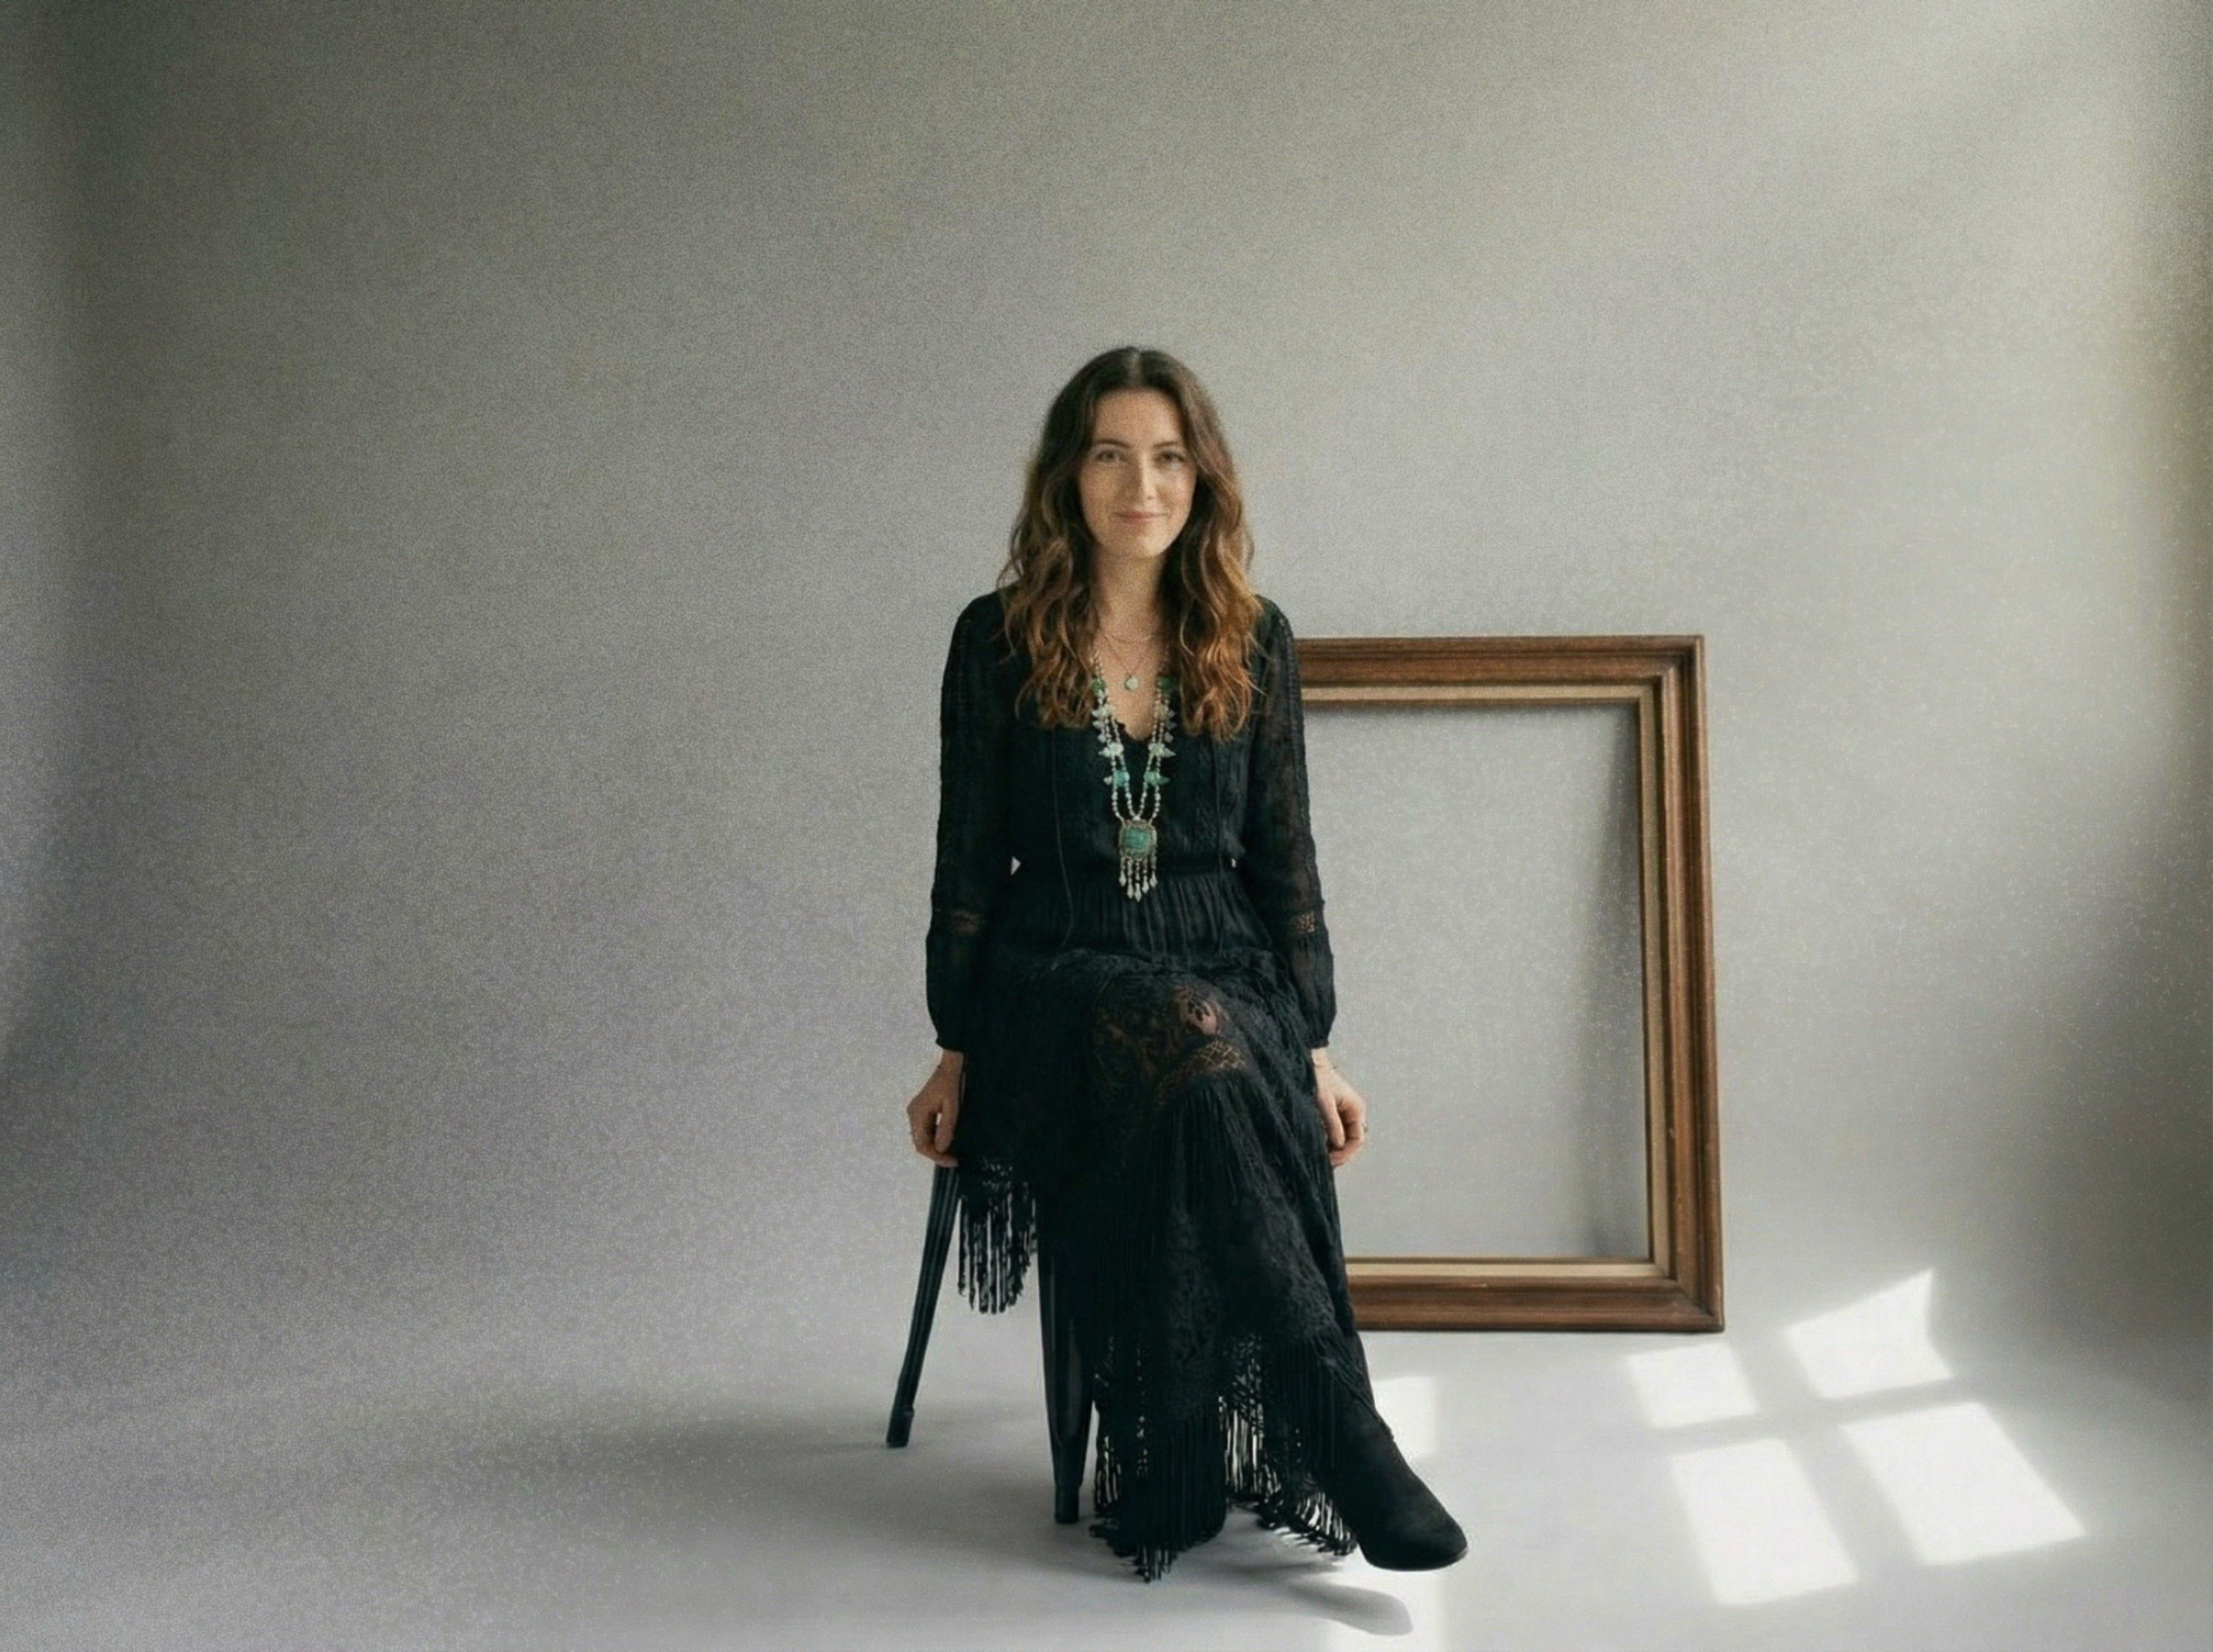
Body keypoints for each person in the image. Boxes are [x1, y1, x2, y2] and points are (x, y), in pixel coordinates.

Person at [903, 345, 1467, 1583]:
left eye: (1167, 458)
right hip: (1058, 975)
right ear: (1068, 477)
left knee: (1204, 1057)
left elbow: (1287, 863)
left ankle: (1179, 1449)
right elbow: (964, 863)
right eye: (1110, 455)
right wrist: (954, 1038)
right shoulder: (994, 642)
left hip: (1227, 968)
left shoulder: (1253, 640)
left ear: (1201, 480)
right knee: (1187, 1047)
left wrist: (1313, 1038)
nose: (1139, 486)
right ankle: (1340, 1431)